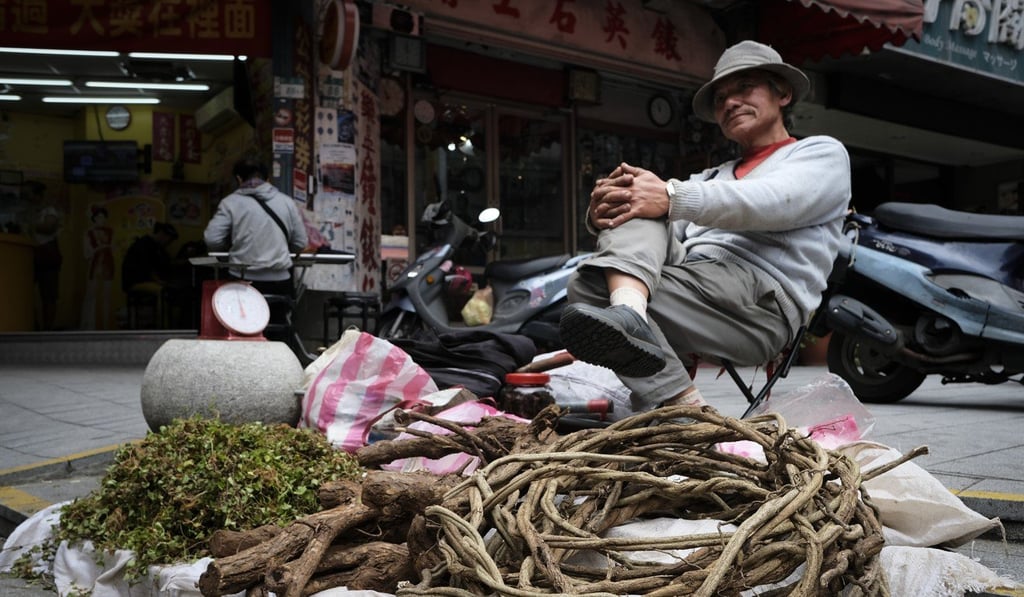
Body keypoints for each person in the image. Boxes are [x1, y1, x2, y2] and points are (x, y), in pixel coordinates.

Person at [559, 40, 851, 414]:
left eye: (744, 88)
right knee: (597, 273)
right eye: (721, 98)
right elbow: (654, 227)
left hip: (758, 301)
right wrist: (608, 210)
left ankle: (672, 406)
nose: (729, 102)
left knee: (605, 270)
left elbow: (774, 201)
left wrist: (670, 195)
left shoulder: (819, 154)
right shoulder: (713, 176)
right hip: (697, 284)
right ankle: (654, 355)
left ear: (783, 94)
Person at [203, 158, 308, 317]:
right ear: (267, 179)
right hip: (280, 283)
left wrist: (231, 250)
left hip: (242, 280)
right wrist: (282, 251)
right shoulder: (287, 202)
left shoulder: (230, 203)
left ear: (238, 179)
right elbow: (301, 242)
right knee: (278, 329)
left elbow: (212, 239)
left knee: (243, 328)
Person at [121, 222, 179, 294]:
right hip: (135, 282)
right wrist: (159, 281)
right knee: (165, 291)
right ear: (161, 233)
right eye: (169, 239)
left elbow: (168, 263)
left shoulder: (158, 247)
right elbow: (146, 267)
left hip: (146, 280)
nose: (169, 243)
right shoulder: (144, 244)